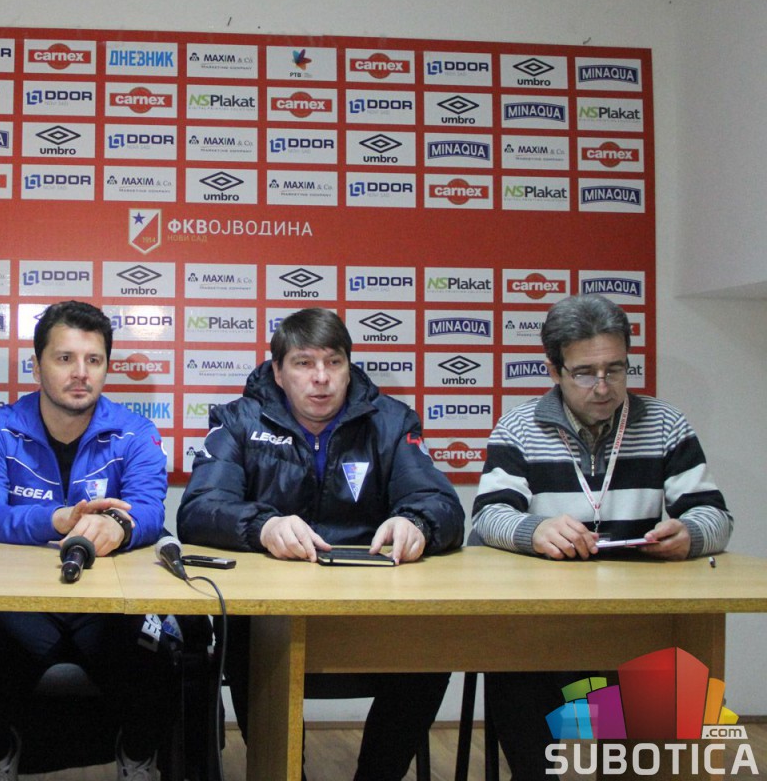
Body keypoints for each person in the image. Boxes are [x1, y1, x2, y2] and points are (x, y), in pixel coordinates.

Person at [178, 307, 465, 781]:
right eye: (304, 363)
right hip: (270, 617)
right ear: (278, 371)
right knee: (246, 639)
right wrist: (263, 526)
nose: (321, 378)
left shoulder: (391, 422)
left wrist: (416, 522)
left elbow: (443, 505)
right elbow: (198, 510)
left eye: (334, 362)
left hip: (370, 613)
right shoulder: (238, 420)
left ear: (349, 367)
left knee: (429, 650)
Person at [471, 293, 732, 779]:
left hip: (636, 621)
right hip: (542, 622)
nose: (604, 386)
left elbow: (715, 516)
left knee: (657, 712)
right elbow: (488, 516)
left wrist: (690, 534)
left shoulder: (665, 424)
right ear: (554, 371)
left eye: (615, 369)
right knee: (516, 676)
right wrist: (535, 530)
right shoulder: (520, 427)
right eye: (585, 373)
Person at [0, 300, 171, 781]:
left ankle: (137, 757)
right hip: (20, 604)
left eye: (94, 360)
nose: (80, 373)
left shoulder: (135, 432)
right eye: (65, 358)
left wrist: (121, 528)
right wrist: (55, 520)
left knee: (157, 659)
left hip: (109, 605)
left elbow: (151, 510)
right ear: (37, 367)